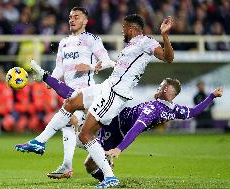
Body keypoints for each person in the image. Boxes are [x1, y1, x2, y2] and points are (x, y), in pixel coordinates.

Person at [16, 14, 174, 188]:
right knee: (71, 101)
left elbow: (168, 58)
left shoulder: (146, 41)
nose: (122, 30)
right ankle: (39, 142)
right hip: (107, 87)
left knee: (85, 134)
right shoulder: (130, 46)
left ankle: (110, 177)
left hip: (115, 94)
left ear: (131, 28)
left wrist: (164, 35)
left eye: (123, 27)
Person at [19, 74, 223, 181]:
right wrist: (212, 96)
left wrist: (119, 149)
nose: (159, 88)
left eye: (162, 86)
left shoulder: (154, 108)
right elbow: (195, 111)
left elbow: (136, 128)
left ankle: (105, 174)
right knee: (75, 106)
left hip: (115, 121)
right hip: (115, 121)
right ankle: (105, 173)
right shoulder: (173, 109)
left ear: (169, 90)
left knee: (87, 157)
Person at [39, 7, 117, 179]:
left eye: (76, 17)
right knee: (77, 133)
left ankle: (68, 166)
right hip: (69, 93)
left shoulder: (92, 39)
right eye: (70, 17)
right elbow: (59, 67)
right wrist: (51, 80)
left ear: (85, 21)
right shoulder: (63, 42)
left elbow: (107, 62)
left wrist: (89, 67)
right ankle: (101, 155)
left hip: (85, 93)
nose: (72, 20)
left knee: (70, 126)